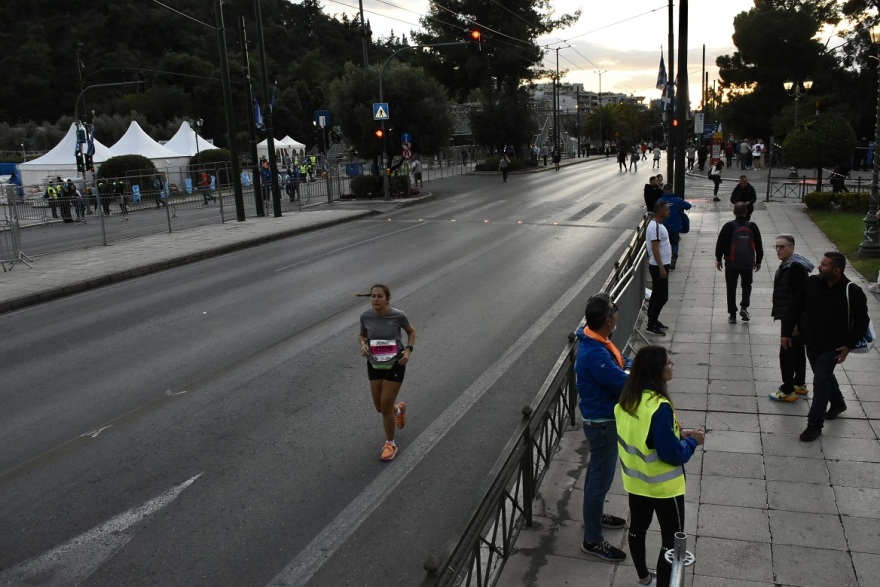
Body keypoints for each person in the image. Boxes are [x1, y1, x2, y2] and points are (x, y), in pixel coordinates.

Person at [615, 345, 704, 587]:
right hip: (665, 487)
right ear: (657, 371)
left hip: (636, 481)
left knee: (637, 530)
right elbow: (672, 454)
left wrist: (679, 432)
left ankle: (644, 578)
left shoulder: (627, 398)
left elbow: (645, 436)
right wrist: (693, 442)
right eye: (669, 364)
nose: (673, 367)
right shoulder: (659, 406)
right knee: (671, 543)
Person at [782, 252, 870, 441]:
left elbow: (862, 321)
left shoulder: (852, 291)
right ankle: (838, 403)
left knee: (820, 382)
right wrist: (786, 333)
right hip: (811, 342)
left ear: (837, 270)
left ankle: (814, 425)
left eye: (824, 265)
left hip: (833, 347)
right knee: (824, 376)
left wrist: (848, 345)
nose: (819, 267)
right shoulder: (812, 283)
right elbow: (796, 307)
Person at [575, 292, 631, 563]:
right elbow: (621, 383)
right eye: (615, 312)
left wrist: (633, 365)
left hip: (600, 419)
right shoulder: (595, 353)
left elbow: (619, 364)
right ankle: (592, 540)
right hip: (602, 424)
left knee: (597, 475)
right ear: (608, 320)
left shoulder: (595, 338)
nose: (617, 315)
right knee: (600, 479)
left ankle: (593, 517)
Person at [358, 284, 416, 461]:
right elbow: (362, 335)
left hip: (395, 363)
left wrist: (408, 351)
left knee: (385, 407)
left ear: (387, 299)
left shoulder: (398, 315)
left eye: (379, 297)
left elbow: (411, 332)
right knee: (380, 407)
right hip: (374, 364)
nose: (375, 300)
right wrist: (363, 345)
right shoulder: (366, 316)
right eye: (373, 296)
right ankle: (399, 410)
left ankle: (390, 444)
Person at [769, 235, 814, 402]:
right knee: (797, 349)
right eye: (777, 247)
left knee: (786, 352)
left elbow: (799, 298)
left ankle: (787, 390)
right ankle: (799, 383)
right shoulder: (792, 264)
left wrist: (794, 323)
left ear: (792, 248)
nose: (779, 250)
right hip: (794, 317)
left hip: (792, 318)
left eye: (782, 247)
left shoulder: (794, 268)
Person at [715, 202, 763, 324]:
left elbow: (720, 243)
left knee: (731, 288)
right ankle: (744, 307)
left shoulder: (728, 226)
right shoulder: (752, 226)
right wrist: (758, 261)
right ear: (747, 212)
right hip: (747, 262)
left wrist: (719, 258)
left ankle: (732, 314)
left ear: (734, 212)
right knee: (747, 285)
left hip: (731, 262)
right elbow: (758, 244)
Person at [646, 201, 672, 336]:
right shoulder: (655, 226)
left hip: (660, 265)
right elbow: (655, 249)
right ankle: (651, 324)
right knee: (662, 296)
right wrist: (662, 268)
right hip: (658, 266)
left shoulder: (657, 225)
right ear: (660, 211)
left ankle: (653, 320)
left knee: (656, 295)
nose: (669, 212)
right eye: (667, 210)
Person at [658, 184, 692, 270]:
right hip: (674, 226)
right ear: (671, 190)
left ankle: (664, 260)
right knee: (675, 243)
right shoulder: (677, 200)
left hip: (663, 227)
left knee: (663, 244)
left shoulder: (660, 201)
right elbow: (688, 206)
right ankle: (673, 258)